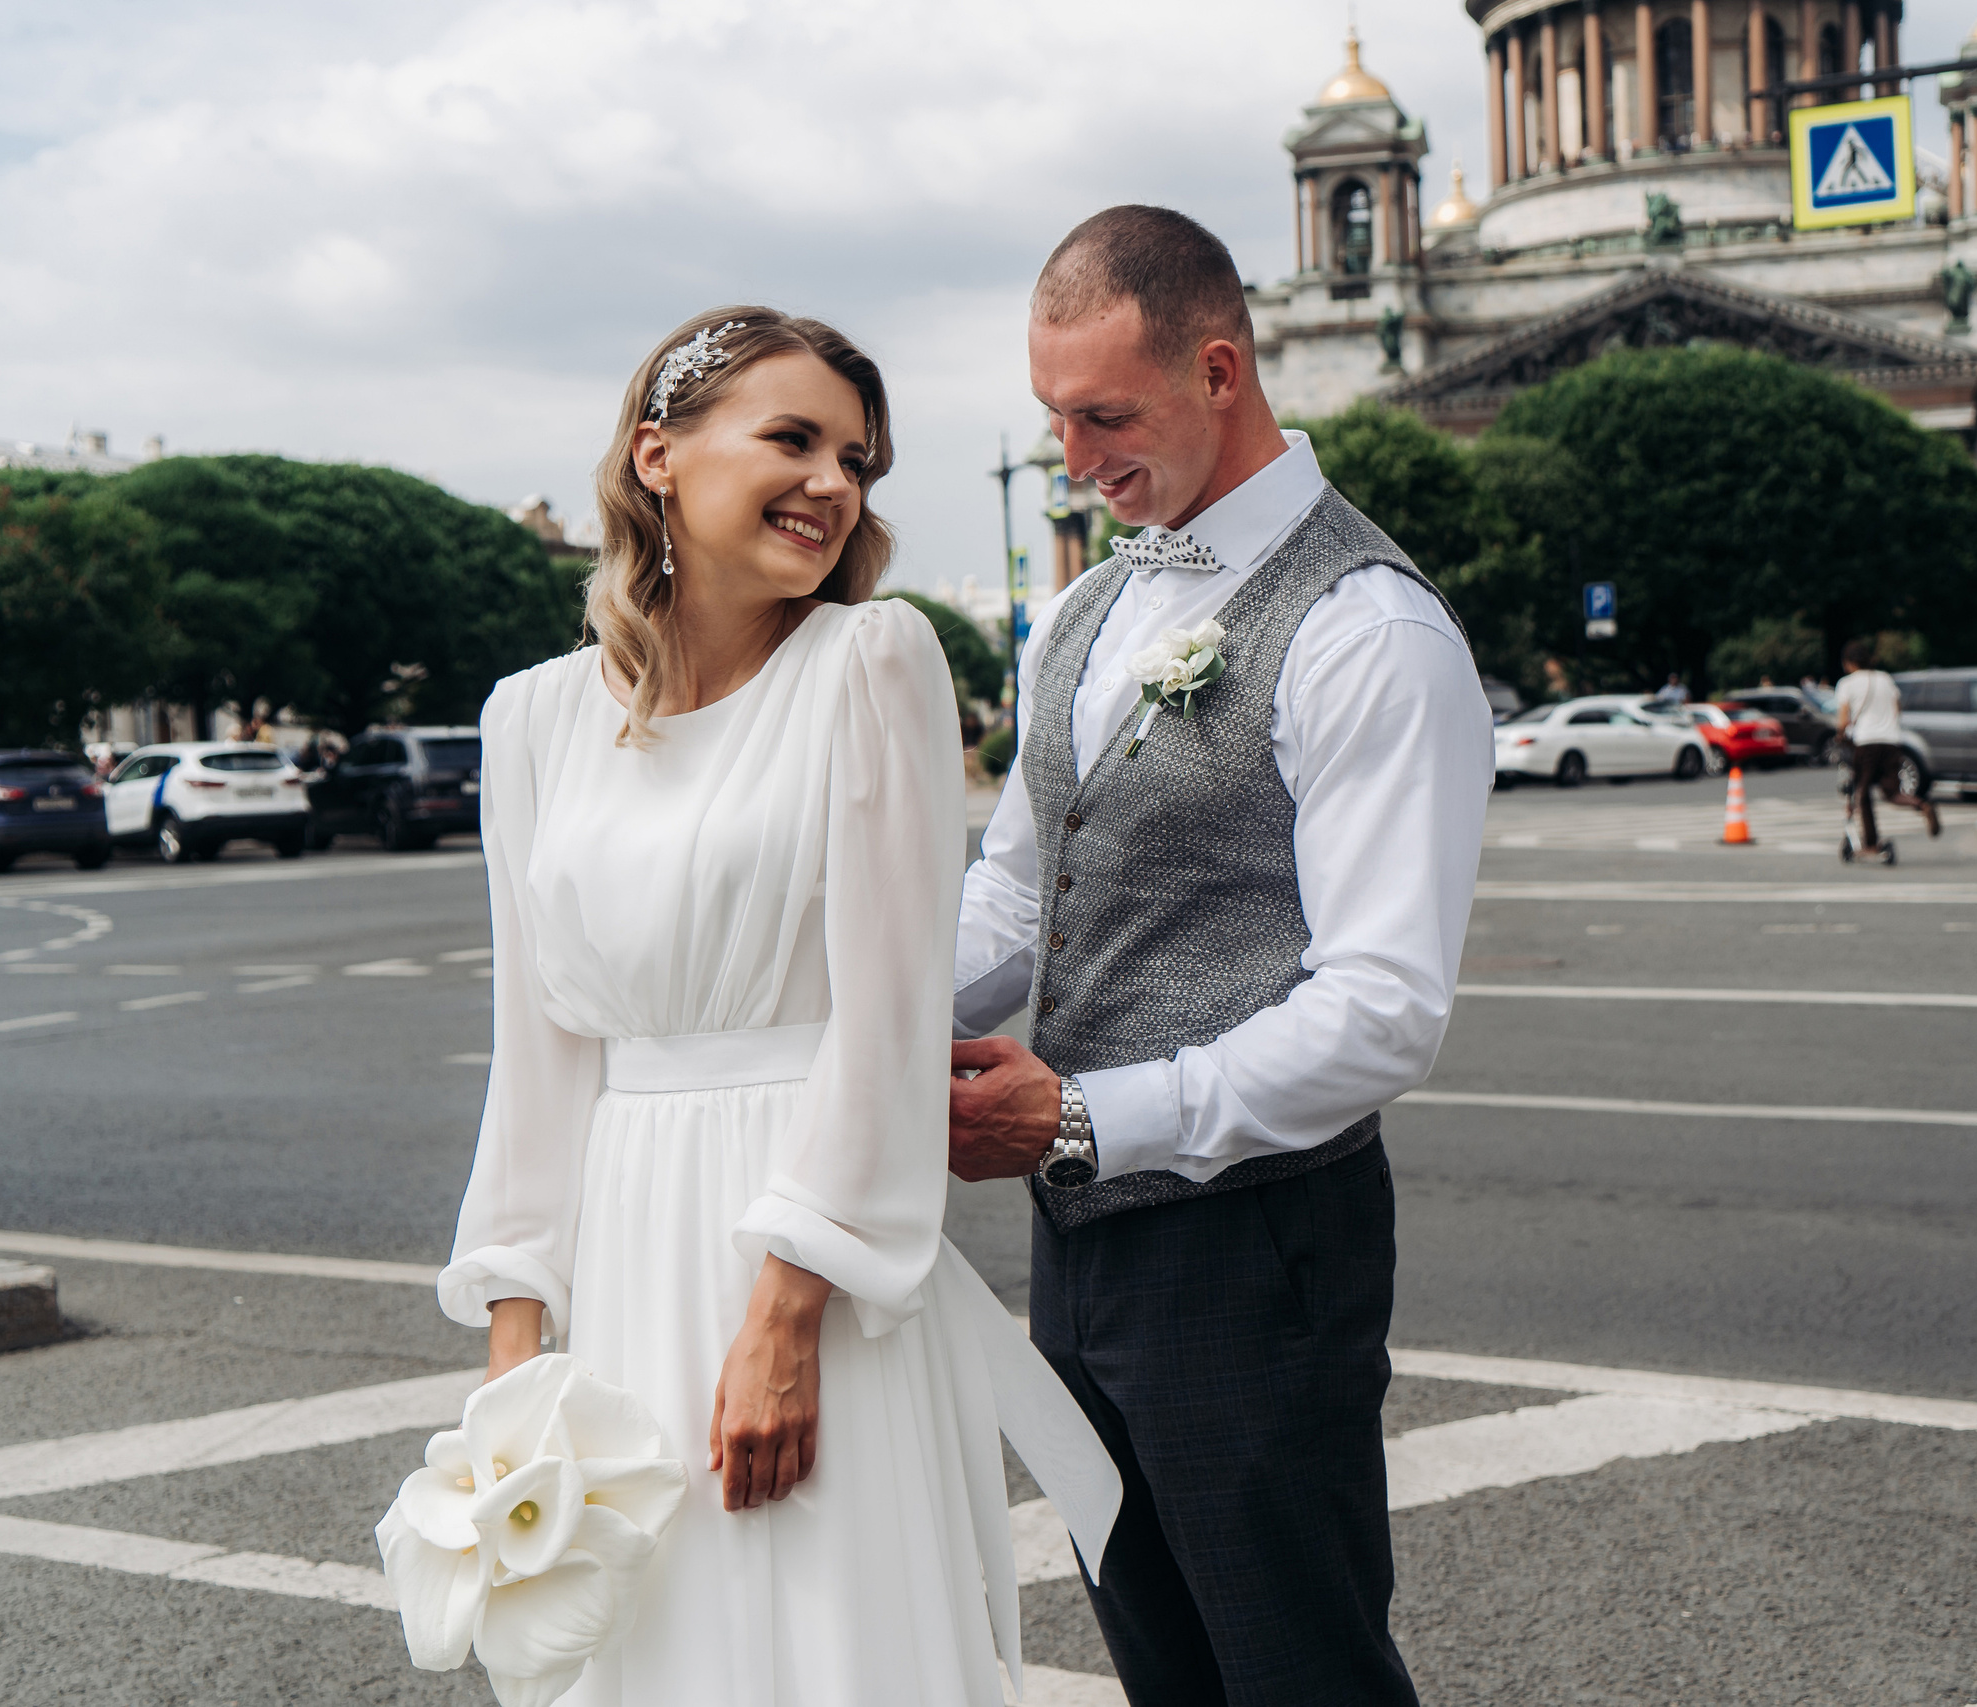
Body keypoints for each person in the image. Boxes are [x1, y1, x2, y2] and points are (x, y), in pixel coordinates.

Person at [436, 308, 1113, 1705]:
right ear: (660, 455)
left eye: (856, 458)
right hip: (626, 1249)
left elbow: (884, 1018)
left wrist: (789, 1310)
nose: (833, 483)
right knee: (650, 1647)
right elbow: (542, 1050)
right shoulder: (530, 720)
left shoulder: (870, 665)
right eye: (793, 438)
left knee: (823, 1636)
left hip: (809, 1258)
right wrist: (514, 1363)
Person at [949, 206, 1493, 1707]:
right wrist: (833, 1016)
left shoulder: (1368, 628)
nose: (1075, 460)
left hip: (1260, 1246)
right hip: (1083, 1244)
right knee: (1163, 1664)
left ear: (1220, 367)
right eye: (1056, 417)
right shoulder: (1085, 603)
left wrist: (1072, 1114)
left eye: (1106, 416)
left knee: (1297, 1666)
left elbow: (1383, 1013)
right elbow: (1014, 898)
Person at [1834, 637, 1939, 851]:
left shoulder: (1847, 684)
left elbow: (1843, 720)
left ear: (1849, 663)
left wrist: (1840, 735)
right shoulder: (1885, 679)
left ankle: (1871, 843)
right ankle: (1922, 804)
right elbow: (1896, 709)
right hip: (1891, 741)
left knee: (1862, 793)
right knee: (1892, 792)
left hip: (1866, 743)